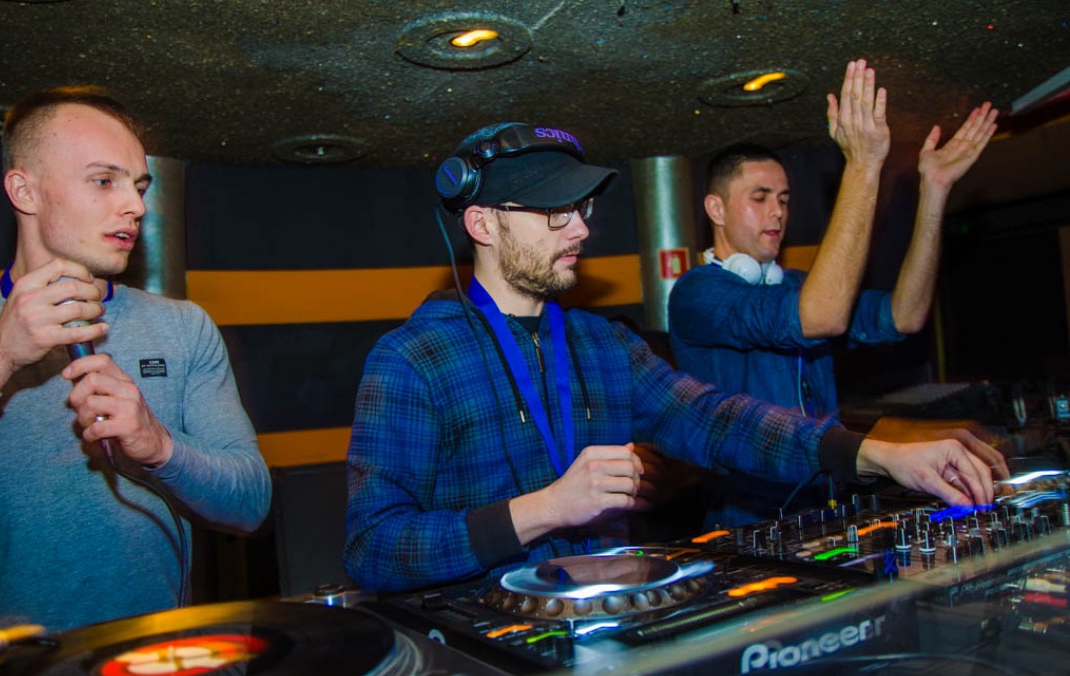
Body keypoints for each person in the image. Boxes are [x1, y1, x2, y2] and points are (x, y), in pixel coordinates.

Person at [343, 120, 995, 593]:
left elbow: (719, 420)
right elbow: (373, 549)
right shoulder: (412, 360)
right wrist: (544, 509)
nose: (582, 228)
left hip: (611, 625)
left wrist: (874, 454)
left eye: (581, 208)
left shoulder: (603, 344)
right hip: (488, 649)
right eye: (553, 212)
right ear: (483, 223)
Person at [667, 61, 1003, 526]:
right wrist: (863, 165)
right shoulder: (697, 293)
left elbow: (904, 316)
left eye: (784, 199)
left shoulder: (794, 287)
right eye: (760, 197)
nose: (777, 212)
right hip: (749, 519)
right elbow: (820, 317)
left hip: (828, 504)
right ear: (716, 209)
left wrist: (934, 191)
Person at [0, 87, 271, 634]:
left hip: (159, 656)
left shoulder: (183, 327)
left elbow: (251, 504)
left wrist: (159, 446)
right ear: (25, 190)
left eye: (139, 187)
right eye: (104, 181)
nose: (136, 207)